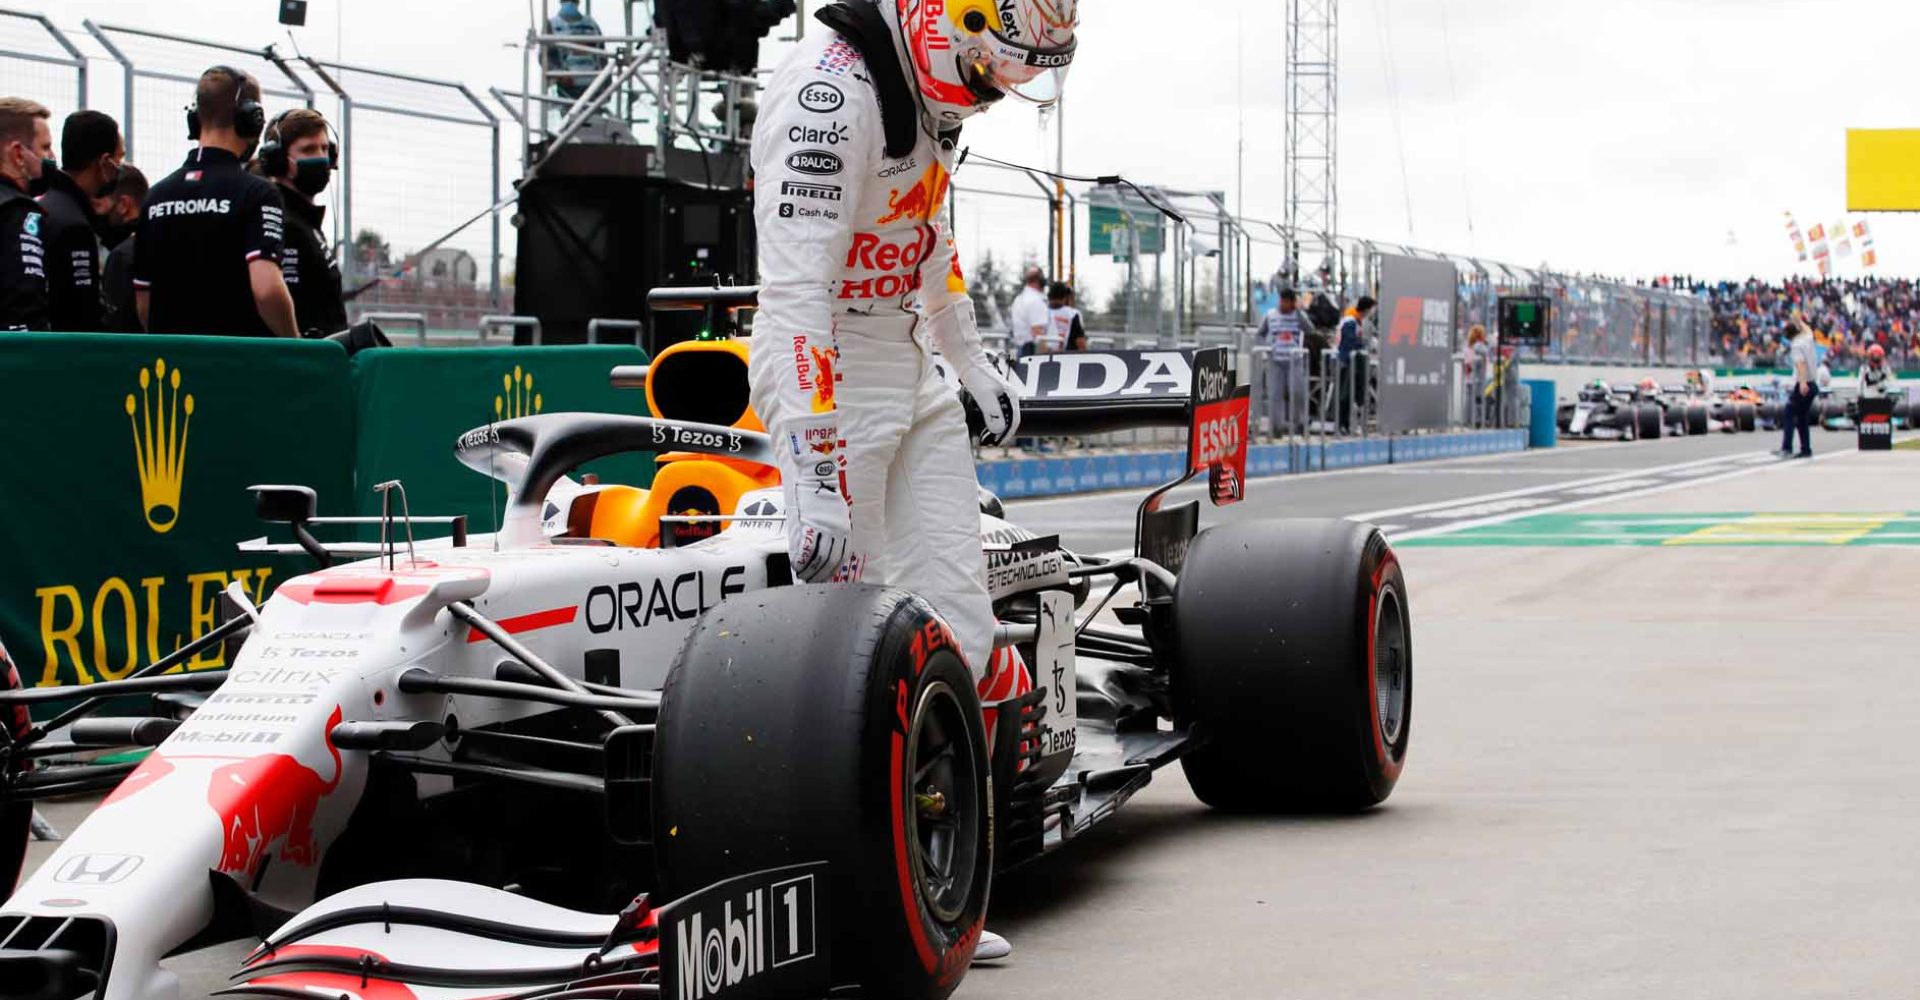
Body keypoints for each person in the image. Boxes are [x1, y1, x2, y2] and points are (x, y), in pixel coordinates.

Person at [751, 0, 1076, 965]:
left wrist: (969, 362)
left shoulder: (931, 97)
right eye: (992, 67)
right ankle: (862, 897)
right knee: (859, 651)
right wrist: (812, 464)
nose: (995, 89)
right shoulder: (826, 97)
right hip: (829, 377)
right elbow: (797, 292)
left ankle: (944, 885)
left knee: (960, 629)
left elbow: (928, 238)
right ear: (948, 19)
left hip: (910, 368)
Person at [134, 66, 298, 338]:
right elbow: (266, 289)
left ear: (195, 118)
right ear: (252, 119)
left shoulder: (155, 197)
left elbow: (143, 302)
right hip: (239, 365)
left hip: (176, 368)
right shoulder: (258, 193)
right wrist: (296, 345)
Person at [253, 108, 346, 336]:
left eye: (324, 149)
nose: (320, 157)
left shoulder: (306, 221)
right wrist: (298, 348)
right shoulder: (280, 219)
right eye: (308, 149)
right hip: (302, 361)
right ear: (277, 161)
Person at [36, 110, 122, 332]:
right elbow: (81, 313)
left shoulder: (43, 206)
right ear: (104, 163)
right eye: (118, 160)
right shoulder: (74, 225)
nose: (119, 170)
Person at [0, 97, 50, 331]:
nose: (50, 157)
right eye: (45, 147)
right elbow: (23, 300)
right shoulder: (18, 210)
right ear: (18, 154)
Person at [96, 163, 147, 333]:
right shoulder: (158, 241)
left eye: (98, 204)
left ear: (124, 204)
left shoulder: (122, 257)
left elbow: (117, 325)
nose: (95, 212)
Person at [1257, 288, 1306, 433]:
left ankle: (1300, 423)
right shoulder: (1270, 315)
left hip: (1294, 359)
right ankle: (1277, 426)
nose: (1285, 305)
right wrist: (1267, 347)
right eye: (1283, 302)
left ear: (1293, 303)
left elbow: (1310, 329)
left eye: (1289, 303)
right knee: (1275, 394)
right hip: (1275, 359)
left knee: (1297, 391)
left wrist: (1299, 313)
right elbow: (1260, 333)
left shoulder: (1298, 316)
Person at [545, 0, 608, 100]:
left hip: (593, 84)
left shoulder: (591, 24)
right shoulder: (551, 25)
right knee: (571, 113)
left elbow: (602, 55)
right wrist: (560, 74)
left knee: (592, 112)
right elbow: (545, 57)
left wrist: (603, 80)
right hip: (568, 85)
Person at [1777, 317, 1818, 458]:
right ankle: (1806, 449)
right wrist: (1799, 320)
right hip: (1813, 384)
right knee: (1802, 418)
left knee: (1789, 412)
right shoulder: (1807, 338)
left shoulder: (1796, 345)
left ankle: (1786, 448)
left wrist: (1802, 383)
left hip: (1804, 383)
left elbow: (1801, 365)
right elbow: (1808, 329)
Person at [1335, 295, 1375, 432]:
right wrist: (1362, 344)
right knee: (1345, 395)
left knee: (1348, 394)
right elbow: (1349, 342)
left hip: (1348, 361)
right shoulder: (1350, 321)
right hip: (1346, 362)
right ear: (1367, 309)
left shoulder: (1354, 320)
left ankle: (1345, 424)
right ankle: (1342, 424)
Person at [1008, 267, 1049, 357]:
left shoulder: (1019, 298)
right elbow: (1038, 332)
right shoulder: (1035, 300)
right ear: (1039, 280)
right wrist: (1048, 356)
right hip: (1031, 350)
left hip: (1021, 348)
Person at [1045, 281, 1083, 353]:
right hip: (1067, 358)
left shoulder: (1041, 312)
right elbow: (1080, 342)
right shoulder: (1073, 314)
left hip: (1041, 358)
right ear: (1065, 297)